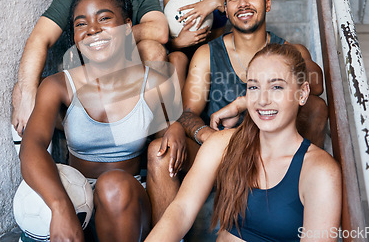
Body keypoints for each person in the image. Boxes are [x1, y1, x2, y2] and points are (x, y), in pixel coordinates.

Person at [147, 0, 328, 225]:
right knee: (159, 151)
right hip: (219, 153)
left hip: (272, 154)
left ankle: (301, 192)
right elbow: (189, 112)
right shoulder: (207, 54)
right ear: (226, 8)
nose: (243, 4)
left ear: (267, 4)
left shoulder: (289, 51)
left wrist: (287, 61)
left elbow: (317, 85)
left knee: (316, 106)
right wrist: (208, 137)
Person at [18, 0, 183, 241]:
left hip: (128, 199)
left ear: (128, 27)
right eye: (81, 23)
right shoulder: (59, 86)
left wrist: (176, 130)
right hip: (77, 198)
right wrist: (60, 207)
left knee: (113, 184)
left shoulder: (152, 82)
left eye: (104, 18)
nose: (92, 30)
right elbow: (32, 146)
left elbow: (166, 134)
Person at [146, 43, 342, 241]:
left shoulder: (320, 170)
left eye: (276, 87)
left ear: (302, 93)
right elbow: (181, 211)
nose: (263, 100)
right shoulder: (224, 143)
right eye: (254, 87)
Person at [12, 0, 169, 136]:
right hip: (81, 93)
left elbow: (159, 31)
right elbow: (39, 38)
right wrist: (28, 94)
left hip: (126, 92)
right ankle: (53, 154)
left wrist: (110, 40)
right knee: (22, 90)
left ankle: (151, 136)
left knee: (152, 49)